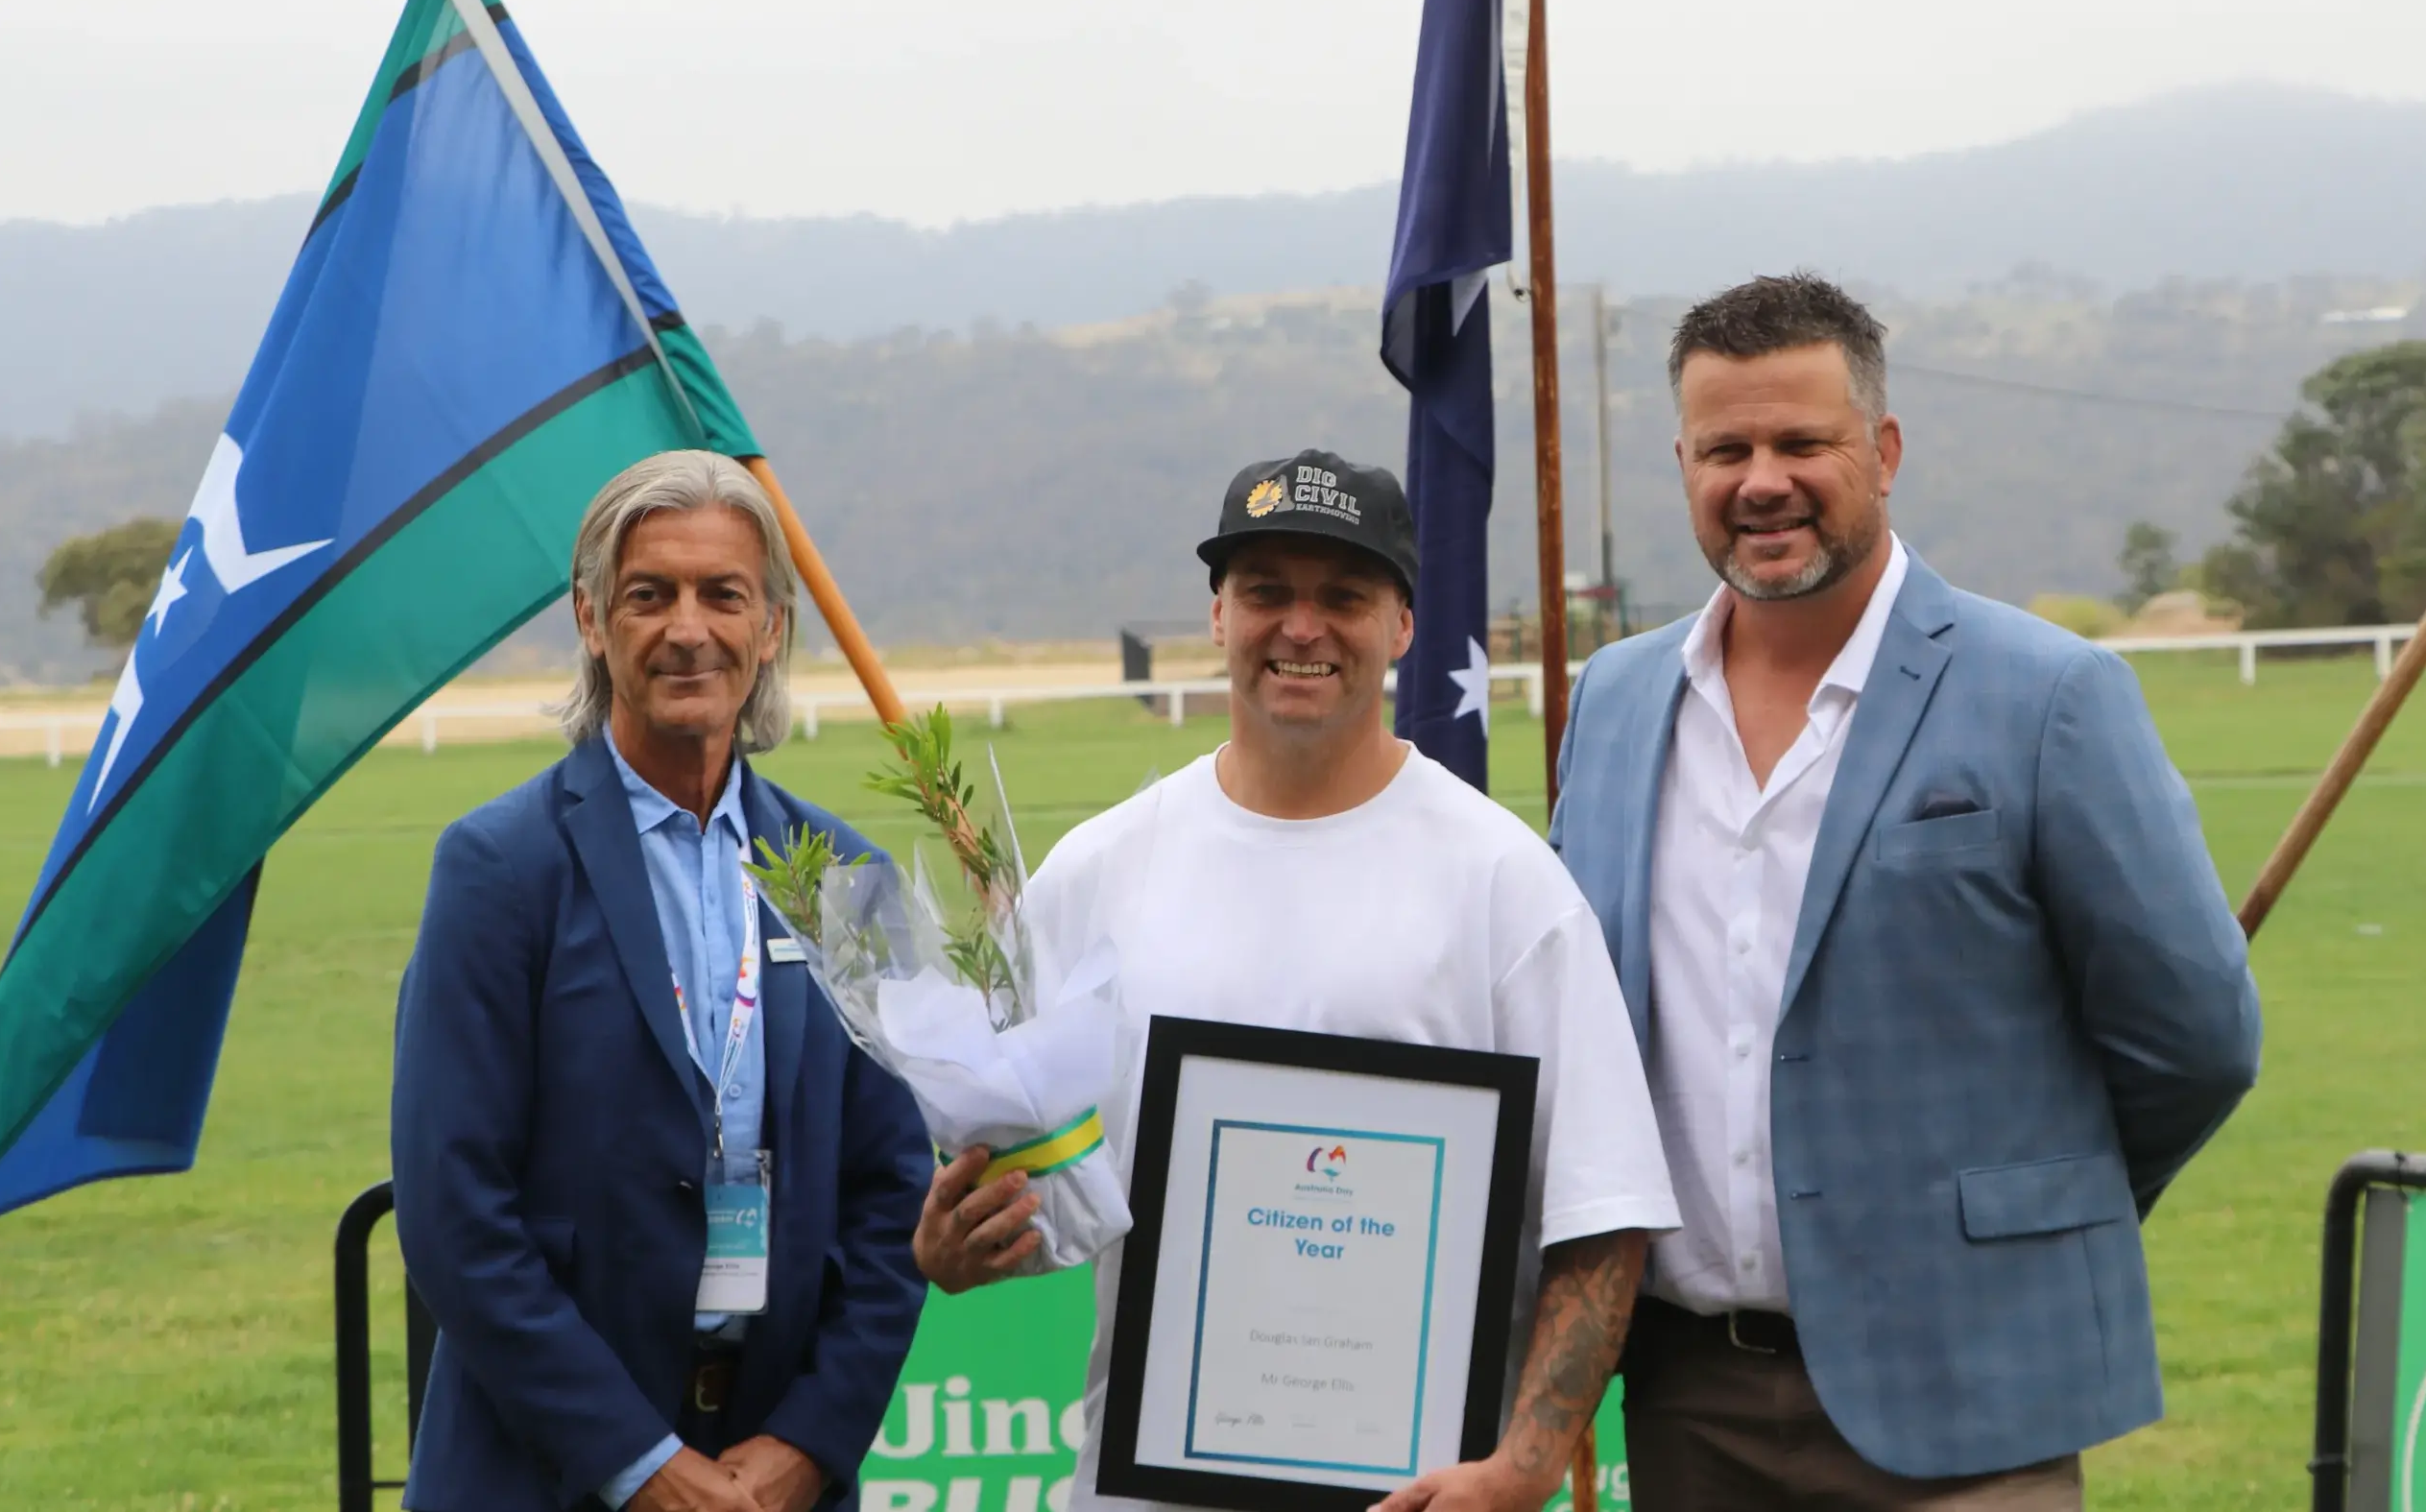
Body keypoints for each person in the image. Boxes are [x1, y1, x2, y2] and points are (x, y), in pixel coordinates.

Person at [1548, 274, 2264, 1508]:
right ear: (1683, 464)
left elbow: (2192, 1039)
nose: (1761, 480)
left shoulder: (2047, 693)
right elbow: (1586, 1028)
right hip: (1685, 1402)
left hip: (1971, 1395)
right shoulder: (1613, 701)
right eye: (1725, 449)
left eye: (1800, 442)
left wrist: (2021, 1216)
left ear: (1880, 451)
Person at [913, 448, 1681, 1512]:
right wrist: (961, 1243)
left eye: (1344, 597)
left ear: (1402, 624)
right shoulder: (1097, 872)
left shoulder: (1504, 884)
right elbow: (1034, 1190)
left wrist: (1526, 1465)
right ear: (1218, 615)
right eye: (1266, 591)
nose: (1301, 627)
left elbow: (1603, 1213)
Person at [391, 451, 932, 1512]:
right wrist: (640, 1465)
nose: (689, 629)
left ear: (770, 627)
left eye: (723, 594)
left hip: (772, 1477)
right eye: (650, 595)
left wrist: (806, 1446)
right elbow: (455, 1212)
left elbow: (892, 1198)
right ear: (592, 620)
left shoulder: (847, 876)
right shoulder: (499, 869)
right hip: (543, 1474)